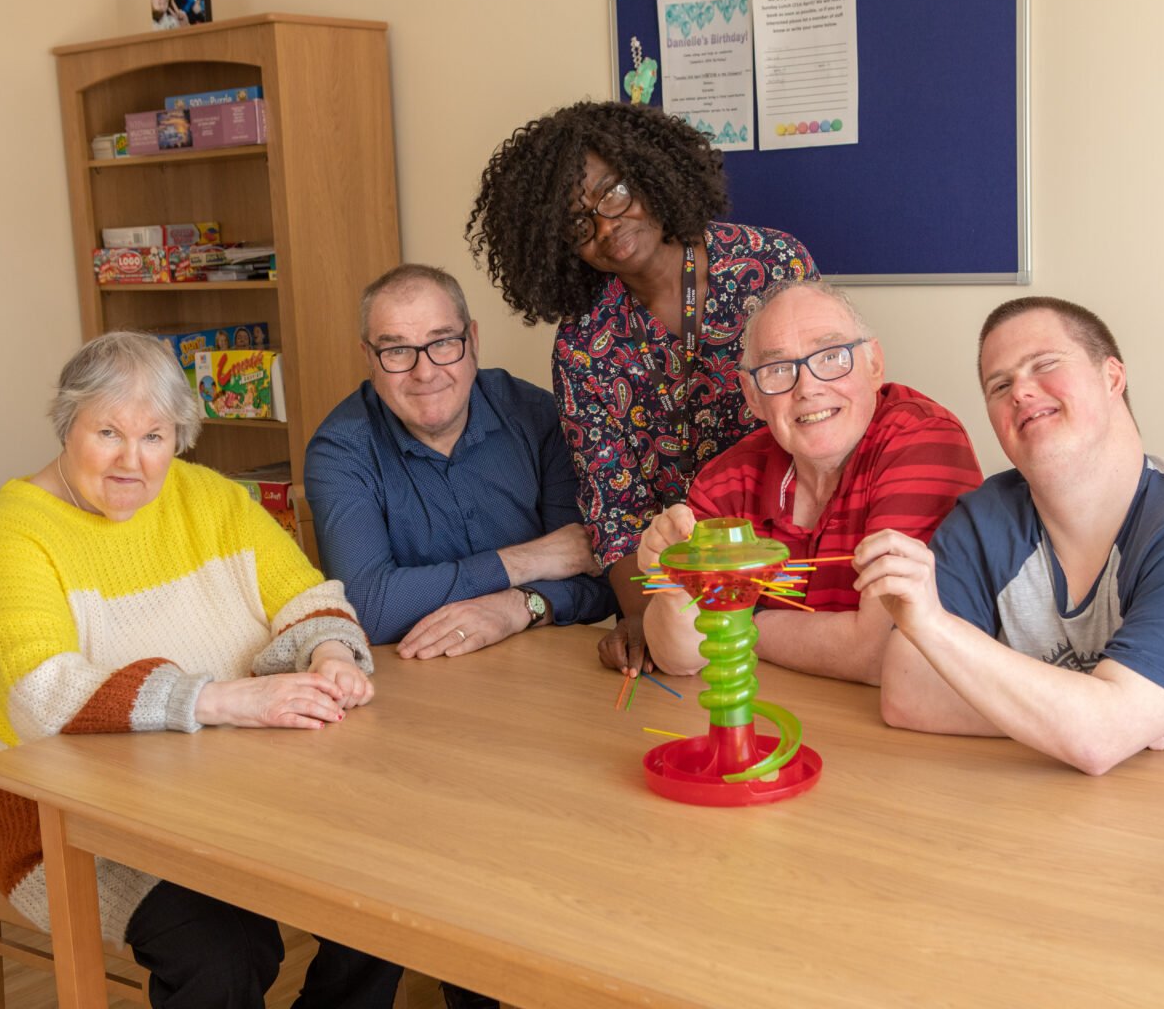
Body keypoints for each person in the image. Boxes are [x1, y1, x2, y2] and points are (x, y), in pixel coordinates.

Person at [0, 332, 403, 1008]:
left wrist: (330, 653)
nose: (133, 461)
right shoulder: (13, 530)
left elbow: (306, 596)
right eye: (108, 431)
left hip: (240, 792)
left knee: (391, 877)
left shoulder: (210, 498)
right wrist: (227, 701)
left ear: (180, 437)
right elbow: (41, 695)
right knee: (228, 950)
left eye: (155, 437)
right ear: (66, 425)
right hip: (71, 824)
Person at [853, 296, 1164, 775]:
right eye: (1000, 385)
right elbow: (908, 693)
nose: (1020, 391)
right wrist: (1100, 713)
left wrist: (1106, 719)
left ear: (1112, 378)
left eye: (1045, 365)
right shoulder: (984, 519)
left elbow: (1098, 738)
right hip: (1076, 808)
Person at [466, 100, 818, 676]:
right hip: (677, 595)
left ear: (652, 174)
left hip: (795, 566)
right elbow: (614, 503)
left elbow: (819, 418)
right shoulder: (583, 341)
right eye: (578, 223)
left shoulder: (771, 264)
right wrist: (640, 616)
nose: (606, 226)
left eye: (614, 193)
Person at [635, 280, 982, 681]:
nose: (809, 388)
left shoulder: (923, 440)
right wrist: (673, 587)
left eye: (832, 356)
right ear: (752, 396)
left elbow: (885, 652)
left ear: (874, 365)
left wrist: (728, 624)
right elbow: (680, 659)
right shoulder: (724, 482)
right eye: (778, 369)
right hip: (766, 720)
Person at [305, 263, 615, 655]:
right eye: (397, 350)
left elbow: (597, 575)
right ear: (368, 356)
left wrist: (516, 607)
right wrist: (529, 561)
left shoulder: (539, 418)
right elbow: (367, 605)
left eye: (442, 342)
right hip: (415, 680)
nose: (425, 372)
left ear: (472, 339)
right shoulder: (340, 450)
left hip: (544, 667)